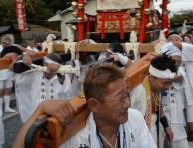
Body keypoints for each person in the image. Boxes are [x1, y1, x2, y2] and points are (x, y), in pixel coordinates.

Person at [12, 64, 156, 148]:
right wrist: (41, 108)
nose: (128, 104)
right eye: (120, 98)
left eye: (127, 95)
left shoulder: (134, 118)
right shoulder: (73, 134)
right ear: (94, 105)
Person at [12, 52, 79, 123]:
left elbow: (67, 99)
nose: (46, 66)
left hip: (56, 119)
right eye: (45, 63)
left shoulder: (65, 78)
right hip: (36, 118)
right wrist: (23, 57)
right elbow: (17, 72)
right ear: (43, 64)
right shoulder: (34, 75)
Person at [130, 55, 177, 148]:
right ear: (151, 77)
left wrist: (166, 126)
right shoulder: (139, 92)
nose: (168, 87)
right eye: (165, 83)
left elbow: (158, 107)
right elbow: (129, 123)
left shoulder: (156, 87)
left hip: (153, 130)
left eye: (170, 82)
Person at [160, 42, 189, 148]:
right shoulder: (161, 68)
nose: (177, 60)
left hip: (175, 109)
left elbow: (180, 78)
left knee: (179, 141)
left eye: (179, 57)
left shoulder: (180, 69)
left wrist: (162, 77)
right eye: (174, 57)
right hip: (161, 108)